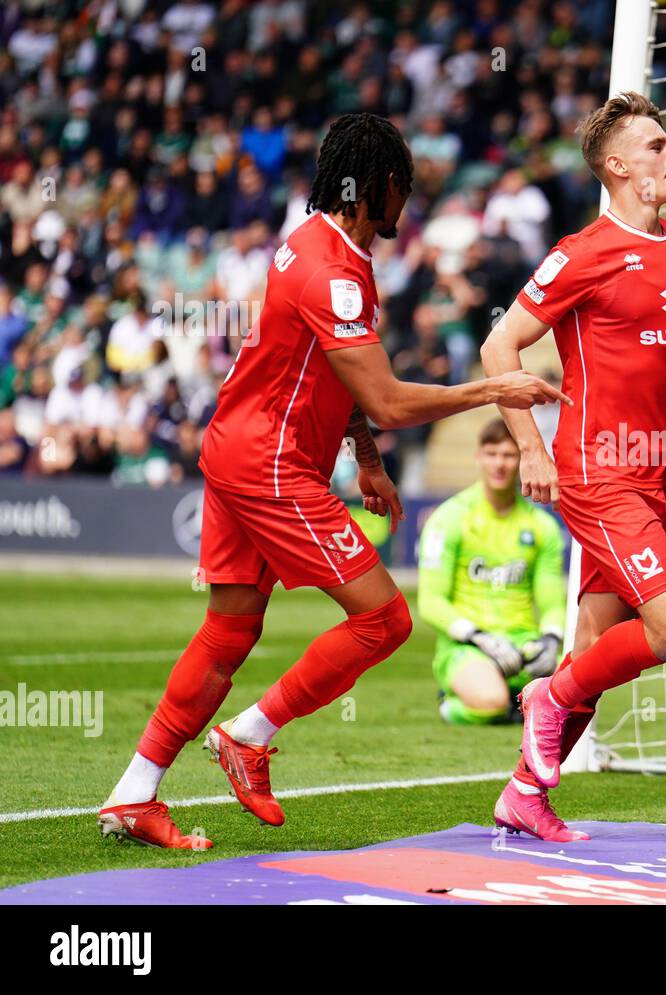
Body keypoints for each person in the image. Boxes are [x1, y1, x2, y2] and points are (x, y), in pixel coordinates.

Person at [98, 113, 567, 849]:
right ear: (378, 186)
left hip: (235, 448)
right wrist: (493, 389)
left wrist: (368, 460)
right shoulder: (335, 274)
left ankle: (134, 792)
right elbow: (385, 397)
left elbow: (334, 380)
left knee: (228, 628)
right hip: (272, 463)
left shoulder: (317, 247)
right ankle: (247, 736)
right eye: (402, 191)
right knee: (385, 621)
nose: (405, 207)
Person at [480, 91, 666, 841]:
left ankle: (525, 791)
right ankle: (546, 697)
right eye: (657, 146)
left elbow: (659, 368)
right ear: (619, 166)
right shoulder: (580, 251)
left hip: (661, 468)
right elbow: (502, 350)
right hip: (597, 468)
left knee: (599, 644)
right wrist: (530, 443)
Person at [418, 418, 566, 725]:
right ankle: (456, 705)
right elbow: (430, 602)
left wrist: (551, 641)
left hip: (523, 647)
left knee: (579, 696)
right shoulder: (449, 518)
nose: (499, 464)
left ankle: (518, 705)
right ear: (478, 457)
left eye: (509, 455)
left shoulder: (542, 527)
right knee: (490, 702)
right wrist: (479, 637)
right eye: (492, 453)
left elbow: (552, 603)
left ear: (522, 460)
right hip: (469, 647)